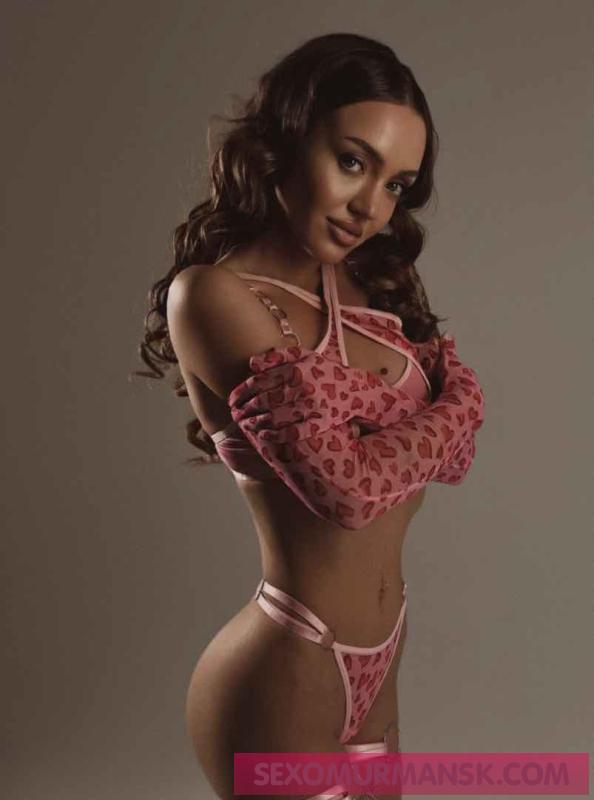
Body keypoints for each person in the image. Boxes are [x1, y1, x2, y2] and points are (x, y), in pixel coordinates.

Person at [134, 33, 485, 800]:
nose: (371, 207)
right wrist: (453, 404)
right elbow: (349, 492)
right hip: (289, 662)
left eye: (397, 185)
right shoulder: (213, 295)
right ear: (289, 137)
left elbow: (457, 457)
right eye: (353, 161)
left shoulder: (364, 289)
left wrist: (376, 411)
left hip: (381, 663)